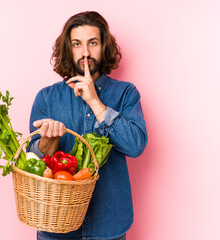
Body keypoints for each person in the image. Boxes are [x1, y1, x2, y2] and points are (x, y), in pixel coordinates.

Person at [28, 11, 148, 240]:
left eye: (92, 43)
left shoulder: (125, 93)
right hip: (56, 226)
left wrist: (95, 102)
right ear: (68, 49)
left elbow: (136, 145)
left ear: (103, 47)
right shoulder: (46, 98)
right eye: (77, 44)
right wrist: (47, 143)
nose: (85, 53)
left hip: (109, 225)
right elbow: (31, 162)